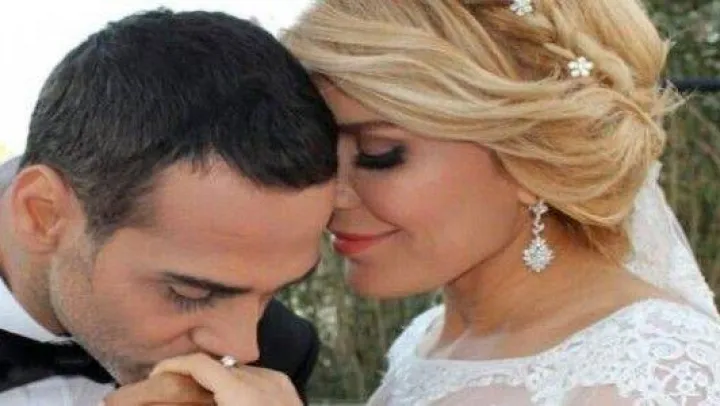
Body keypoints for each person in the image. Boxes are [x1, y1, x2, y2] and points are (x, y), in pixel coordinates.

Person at [159, 0, 720, 404]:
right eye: (325, 154)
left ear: (535, 157)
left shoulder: (662, 372)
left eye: (378, 153)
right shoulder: (426, 340)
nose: (334, 194)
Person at [0, 8, 337, 406]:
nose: (243, 349)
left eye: (276, 291)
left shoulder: (283, 356)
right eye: (190, 292)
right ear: (42, 214)